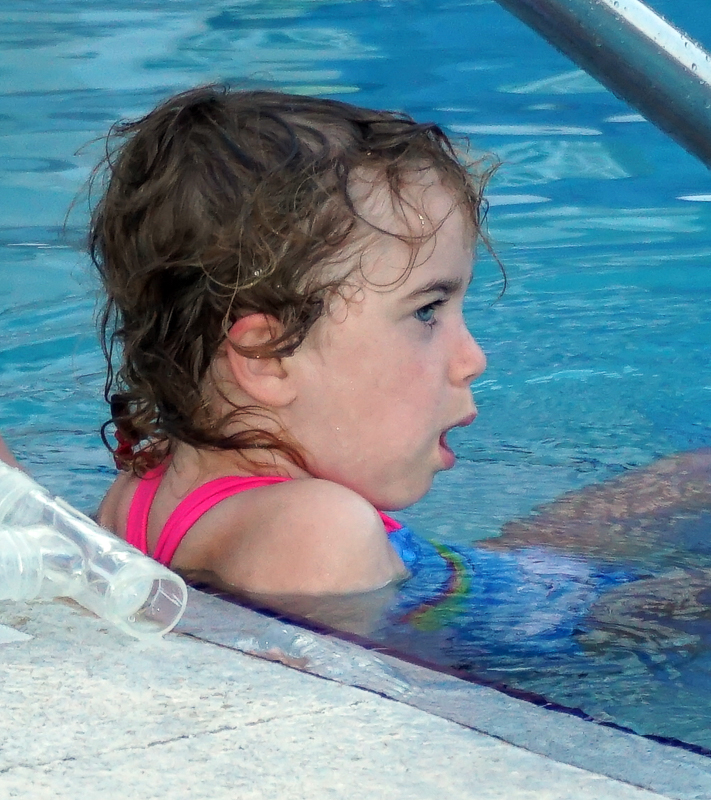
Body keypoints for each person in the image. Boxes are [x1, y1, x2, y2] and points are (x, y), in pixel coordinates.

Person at [90, 85, 494, 598]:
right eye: (426, 311)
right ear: (270, 357)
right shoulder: (322, 532)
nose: (472, 360)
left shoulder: (142, 488)